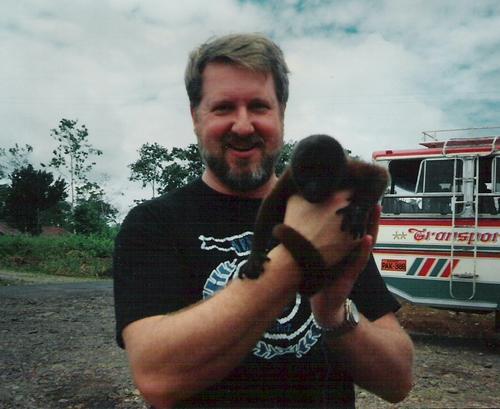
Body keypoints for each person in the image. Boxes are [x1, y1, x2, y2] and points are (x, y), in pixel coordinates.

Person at [113, 33, 414, 409]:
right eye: (223, 108)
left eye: (259, 106)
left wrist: (333, 312)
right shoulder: (153, 225)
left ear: (281, 114)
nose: (243, 125)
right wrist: (298, 257)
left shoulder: (334, 213)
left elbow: (398, 381)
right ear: (195, 117)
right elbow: (157, 378)